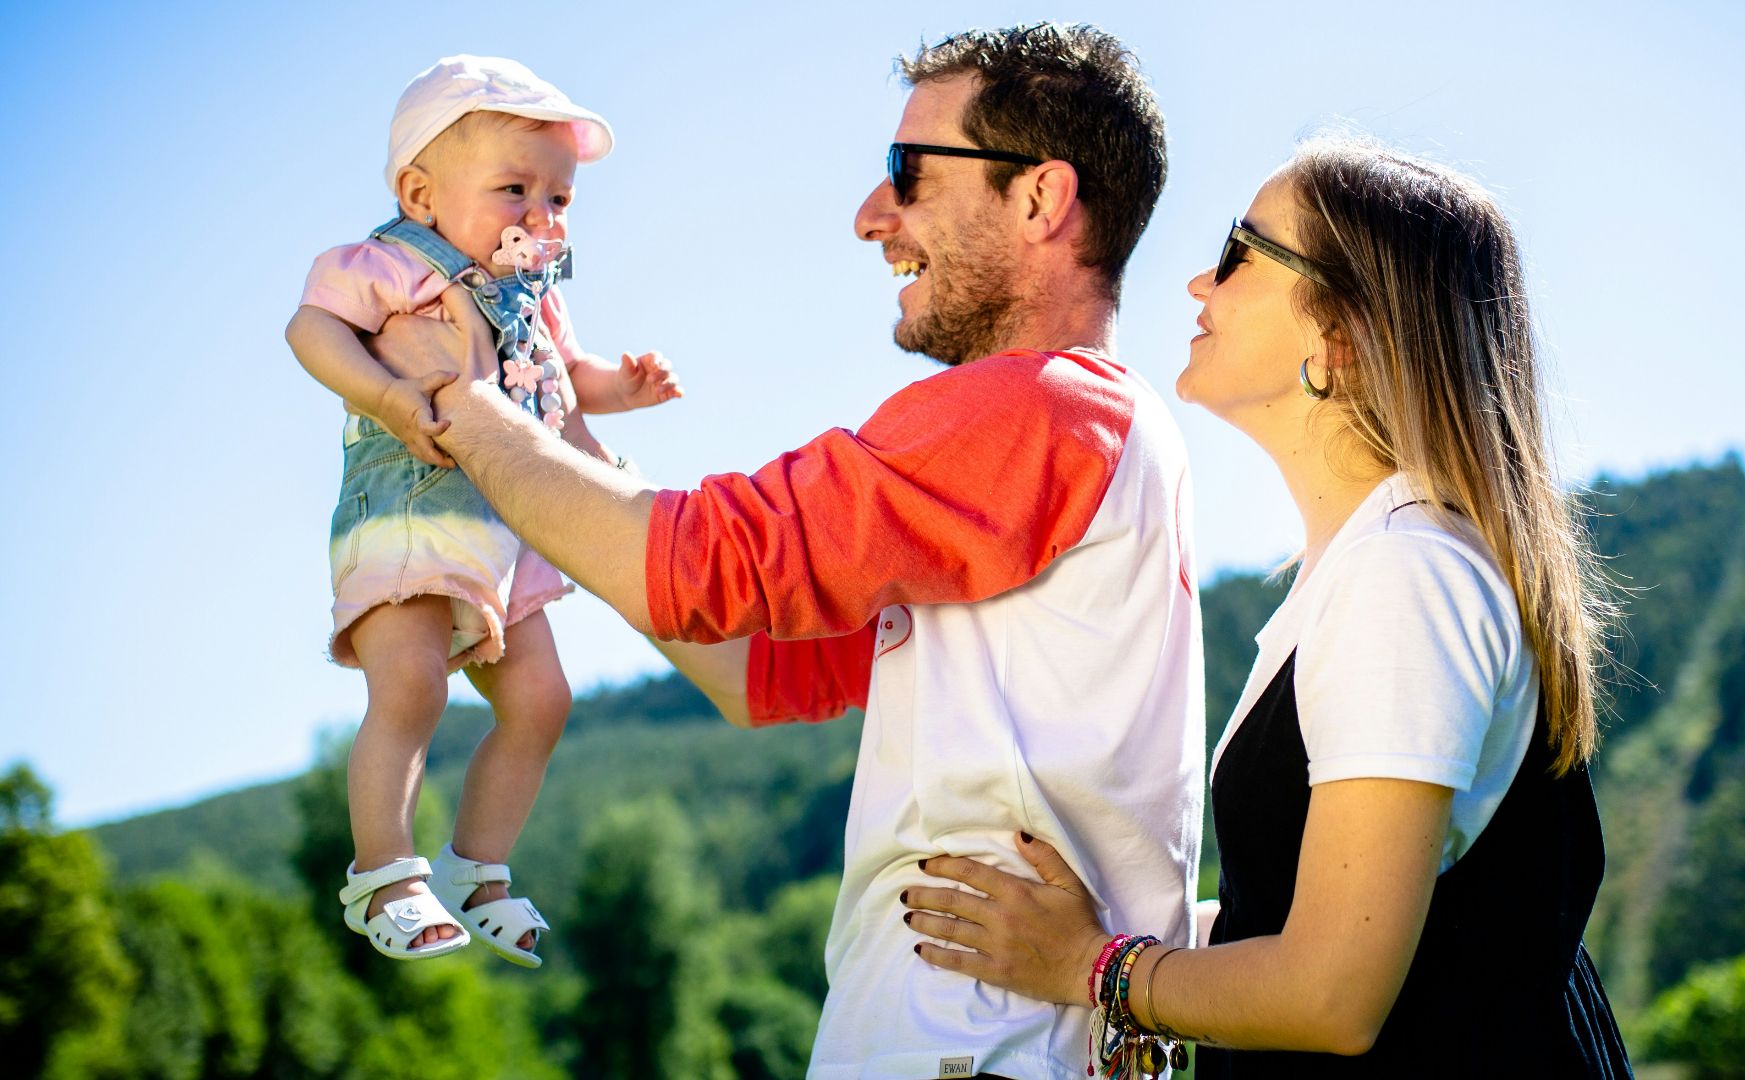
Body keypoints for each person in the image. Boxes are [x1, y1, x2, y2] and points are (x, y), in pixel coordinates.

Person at [370, 23, 1204, 1080]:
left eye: (909, 173)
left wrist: (460, 400)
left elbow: (695, 567)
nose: (871, 215)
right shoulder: (1079, 446)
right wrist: (556, 430)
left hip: (976, 1052)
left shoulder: (1041, 406)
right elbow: (756, 669)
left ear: (1041, 198)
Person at [903, 136, 1636, 1077]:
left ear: (1340, 333)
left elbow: (1331, 995)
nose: (1199, 285)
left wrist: (1094, 966)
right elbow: (1321, 922)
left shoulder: (1405, 578)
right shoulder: (1364, 571)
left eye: (1241, 252)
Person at [285, 55, 682, 966]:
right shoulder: (385, 263)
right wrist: (385, 395)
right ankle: (384, 872)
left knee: (543, 699)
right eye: (515, 189)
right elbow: (312, 328)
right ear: (421, 193)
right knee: (412, 685)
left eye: (561, 198)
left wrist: (623, 384)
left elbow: (562, 382)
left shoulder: (537, 296)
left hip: (509, 527)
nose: (542, 216)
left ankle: (480, 866)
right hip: (411, 504)